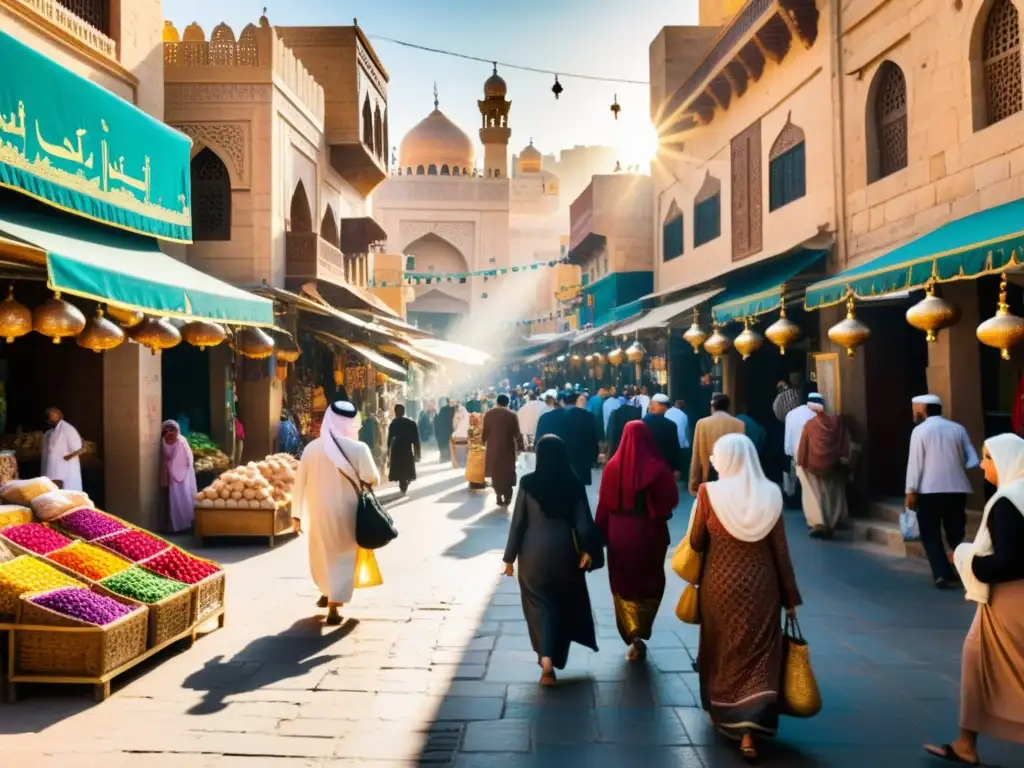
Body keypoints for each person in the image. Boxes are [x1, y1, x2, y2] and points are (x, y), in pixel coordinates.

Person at [688, 433, 803, 761]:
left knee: (724, 646)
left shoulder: (710, 493)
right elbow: (780, 551)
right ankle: (751, 730)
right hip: (762, 586)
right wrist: (790, 597)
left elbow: (697, 541)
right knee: (760, 649)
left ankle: (728, 714)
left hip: (719, 586)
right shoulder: (770, 494)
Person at [924, 433, 1024, 765]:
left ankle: (966, 742)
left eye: (988, 458)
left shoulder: (1008, 501)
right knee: (977, 660)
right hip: (1008, 600)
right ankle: (965, 741)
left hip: (1008, 601)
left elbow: (1010, 562)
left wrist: (966, 557)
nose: (981, 465)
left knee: (997, 665)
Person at [502, 435, 603, 686]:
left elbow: (518, 525)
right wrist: (588, 551)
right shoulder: (574, 483)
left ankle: (545, 660)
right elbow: (583, 523)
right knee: (561, 605)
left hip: (532, 555)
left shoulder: (527, 483)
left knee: (539, 607)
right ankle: (553, 655)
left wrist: (509, 559)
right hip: (565, 555)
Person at [291, 401, 382, 625]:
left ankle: (327, 591)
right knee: (343, 556)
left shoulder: (311, 448)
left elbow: (298, 484)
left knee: (322, 553)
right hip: (348, 514)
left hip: (318, 513)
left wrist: (296, 515)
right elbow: (373, 479)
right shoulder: (359, 449)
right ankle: (334, 603)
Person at [596, 421, 679, 662]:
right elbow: (671, 500)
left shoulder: (612, 467)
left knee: (623, 582)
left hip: (620, 533)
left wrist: (599, 534)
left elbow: (604, 505)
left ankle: (633, 636)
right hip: (651, 534)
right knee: (650, 580)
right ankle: (644, 626)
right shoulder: (658, 468)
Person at [905, 394, 980, 589]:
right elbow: (973, 460)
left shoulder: (920, 431)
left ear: (923, 409)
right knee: (955, 533)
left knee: (930, 533)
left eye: (915, 408)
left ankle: (941, 573)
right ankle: (963, 571)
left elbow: (915, 464)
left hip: (928, 491)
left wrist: (910, 491)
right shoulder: (958, 429)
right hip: (956, 489)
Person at [795, 396, 850, 539]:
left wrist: (800, 462)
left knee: (814, 493)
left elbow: (802, 449)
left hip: (813, 466)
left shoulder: (809, 425)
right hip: (833, 464)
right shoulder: (837, 421)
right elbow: (844, 441)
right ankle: (834, 520)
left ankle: (818, 520)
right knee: (833, 492)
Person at [689, 393, 745, 496]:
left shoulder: (702, 423)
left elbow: (696, 454)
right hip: (731, 475)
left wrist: (693, 481)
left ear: (712, 407)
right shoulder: (739, 424)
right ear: (728, 407)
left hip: (709, 473)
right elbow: (742, 455)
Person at [483, 394, 522, 506]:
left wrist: (482, 442)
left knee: (496, 473)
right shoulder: (512, 414)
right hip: (507, 449)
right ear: (508, 403)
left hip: (493, 448)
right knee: (507, 472)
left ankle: (498, 494)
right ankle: (508, 496)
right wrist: (521, 447)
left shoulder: (489, 414)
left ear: (497, 402)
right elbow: (517, 433)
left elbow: (484, 432)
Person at [783, 393, 822, 504]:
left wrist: (790, 454)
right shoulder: (817, 413)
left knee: (800, 480)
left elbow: (788, 440)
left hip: (795, 454)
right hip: (813, 454)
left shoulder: (791, 414)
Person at [160, 420, 197, 533]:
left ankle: (188, 525)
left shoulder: (181, 442)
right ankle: (178, 526)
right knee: (175, 500)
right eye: (167, 430)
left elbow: (187, 459)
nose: (170, 433)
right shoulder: (164, 441)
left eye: (172, 430)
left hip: (185, 476)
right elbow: (167, 455)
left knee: (186, 497)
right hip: (173, 476)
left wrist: (175, 468)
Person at [41, 408, 84, 491]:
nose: (48, 421)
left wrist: (67, 457)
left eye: (50, 418)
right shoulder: (49, 433)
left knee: (66, 494)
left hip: (65, 470)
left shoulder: (68, 429)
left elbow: (78, 448)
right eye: (48, 419)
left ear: (58, 417)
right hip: (51, 470)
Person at [563, 393, 599, 485]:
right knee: (582, 483)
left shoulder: (567, 415)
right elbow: (594, 437)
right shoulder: (590, 416)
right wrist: (594, 456)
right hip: (585, 454)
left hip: (571, 454)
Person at [643, 393, 682, 475]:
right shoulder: (671, 425)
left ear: (657, 405)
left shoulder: (643, 422)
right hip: (665, 468)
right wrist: (677, 468)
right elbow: (674, 449)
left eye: (651, 404)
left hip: (646, 467)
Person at [387, 404, 420, 494]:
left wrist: (388, 454)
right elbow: (416, 440)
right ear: (404, 411)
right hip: (407, 449)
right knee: (407, 468)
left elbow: (389, 440)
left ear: (395, 412)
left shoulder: (393, 424)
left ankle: (403, 485)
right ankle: (406, 481)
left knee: (400, 469)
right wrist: (417, 453)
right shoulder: (411, 423)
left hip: (396, 451)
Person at [607, 392, 642, 459]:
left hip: (618, 442)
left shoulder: (615, 412)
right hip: (634, 443)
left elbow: (611, 431)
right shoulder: (638, 411)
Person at [665, 399, 691, 472]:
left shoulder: (667, 412)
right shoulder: (683, 415)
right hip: (681, 445)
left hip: (669, 444)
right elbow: (686, 432)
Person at [358, 406, 385, 473]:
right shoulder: (374, 421)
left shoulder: (366, 421)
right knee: (376, 457)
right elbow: (378, 432)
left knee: (374, 457)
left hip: (369, 443)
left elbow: (361, 433)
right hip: (372, 442)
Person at [451, 402, 471, 468]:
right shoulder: (468, 415)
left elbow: (454, 426)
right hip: (467, 437)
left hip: (458, 437)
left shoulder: (456, 415)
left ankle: (459, 463)